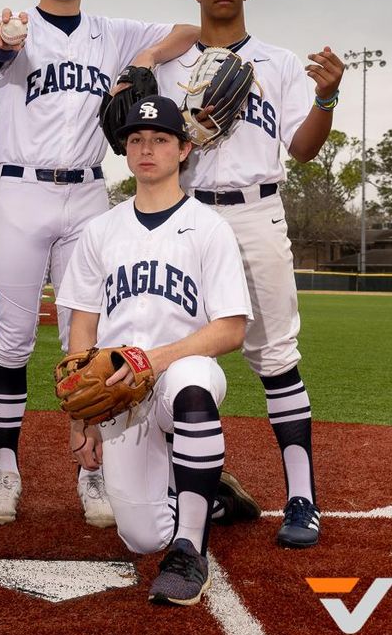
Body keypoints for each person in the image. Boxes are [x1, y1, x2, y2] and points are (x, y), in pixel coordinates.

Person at [0, 0, 204, 528]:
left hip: (87, 195)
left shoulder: (112, 33)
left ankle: (91, 471)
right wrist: (3, 40)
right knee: (12, 338)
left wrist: (148, 56)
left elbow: (193, 30)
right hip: (21, 189)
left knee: (91, 337)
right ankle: (6, 468)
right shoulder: (19, 29)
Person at [155, 0, 345, 548]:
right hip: (188, 215)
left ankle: (301, 498)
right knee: (175, 351)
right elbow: (151, 148)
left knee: (275, 356)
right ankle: (179, 486)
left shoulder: (281, 62)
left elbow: (303, 147)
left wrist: (327, 96)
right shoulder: (171, 63)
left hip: (257, 210)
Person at [57, 96, 251, 605]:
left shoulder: (210, 227)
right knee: (142, 537)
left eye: (161, 139)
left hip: (182, 370)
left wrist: (154, 359)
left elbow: (231, 328)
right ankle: (210, 491)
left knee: (190, 384)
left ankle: (191, 549)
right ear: (125, 150)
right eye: (136, 140)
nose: (147, 148)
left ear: (184, 149)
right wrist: (83, 417)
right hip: (117, 391)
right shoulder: (100, 231)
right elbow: (83, 325)